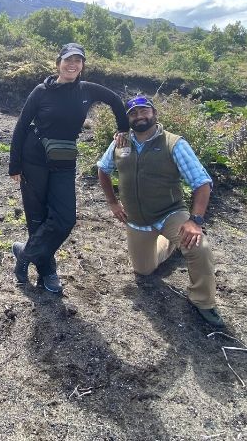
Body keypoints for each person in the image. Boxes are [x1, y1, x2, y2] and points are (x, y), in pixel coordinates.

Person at [9, 43, 130, 293]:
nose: (72, 64)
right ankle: (48, 272)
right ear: (58, 63)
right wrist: (14, 165)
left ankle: (24, 254)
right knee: (37, 217)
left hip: (64, 161)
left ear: (82, 66)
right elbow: (21, 127)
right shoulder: (41, 91)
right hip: (34, 159)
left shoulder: (88, 90)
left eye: (78, 60)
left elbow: (117, 101)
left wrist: (123, 129)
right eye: (67, 59)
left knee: (65, 219)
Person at [96, 95, 224, 327]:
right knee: (143, 271)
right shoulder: (120, 142)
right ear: (128, 119)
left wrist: (195, 221)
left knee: (199, 247)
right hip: (136, 221)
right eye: (133, 113)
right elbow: (103, 170)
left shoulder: (174, 144)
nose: (139, 116)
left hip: (170, 213)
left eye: (144, 111)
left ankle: (203, 301)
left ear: (154, 113)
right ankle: (171, 245)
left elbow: (202, 183)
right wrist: (113, 203)